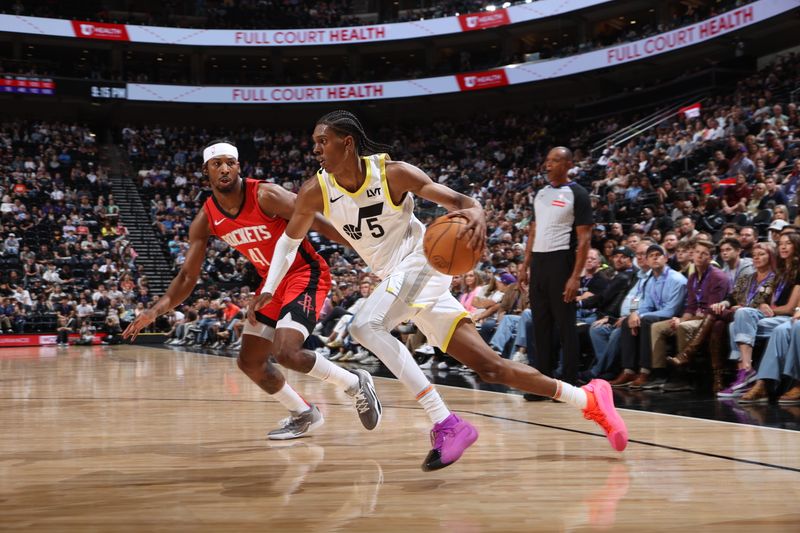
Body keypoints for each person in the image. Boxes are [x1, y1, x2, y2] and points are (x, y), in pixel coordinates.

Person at [252, 110, 628, 471]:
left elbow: (461, 202)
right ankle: (589, 398)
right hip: (400, 282)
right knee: (490, 367)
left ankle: (445, 422)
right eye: (313, 143)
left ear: (346, 143)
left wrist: (475, 210)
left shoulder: (393, 173)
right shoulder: (315, 191)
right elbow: (288, 242)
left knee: (364, 325)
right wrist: (270, 287)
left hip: (422, 262)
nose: (315, 149)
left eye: (323, 141)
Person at [123, 139, 381, 440]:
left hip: (304, 273)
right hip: (269, 286)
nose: (224, 168)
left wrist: (366, 248)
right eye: (216, 164)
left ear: (238, 166)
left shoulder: (265, 194)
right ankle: (303, 413)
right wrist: (155, 310)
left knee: (286, 351)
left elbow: (317, 220)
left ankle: (355, 383)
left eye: (229, 162)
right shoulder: (207, 218)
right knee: (250, 361)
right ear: (206, 171)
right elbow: (186, 277)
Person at [519, 147, 592, 389]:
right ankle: (544, 383)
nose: (548, 165)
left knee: (565, 325)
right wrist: (525, 264)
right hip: (539, 262)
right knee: (540, 324)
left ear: (569, 164)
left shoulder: (578, 194)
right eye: (547, 160)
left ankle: (570, 381)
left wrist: (575, 277)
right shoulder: (540, 194)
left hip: (562, 261)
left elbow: (584, 240)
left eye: (555, 161)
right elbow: (533, 230)